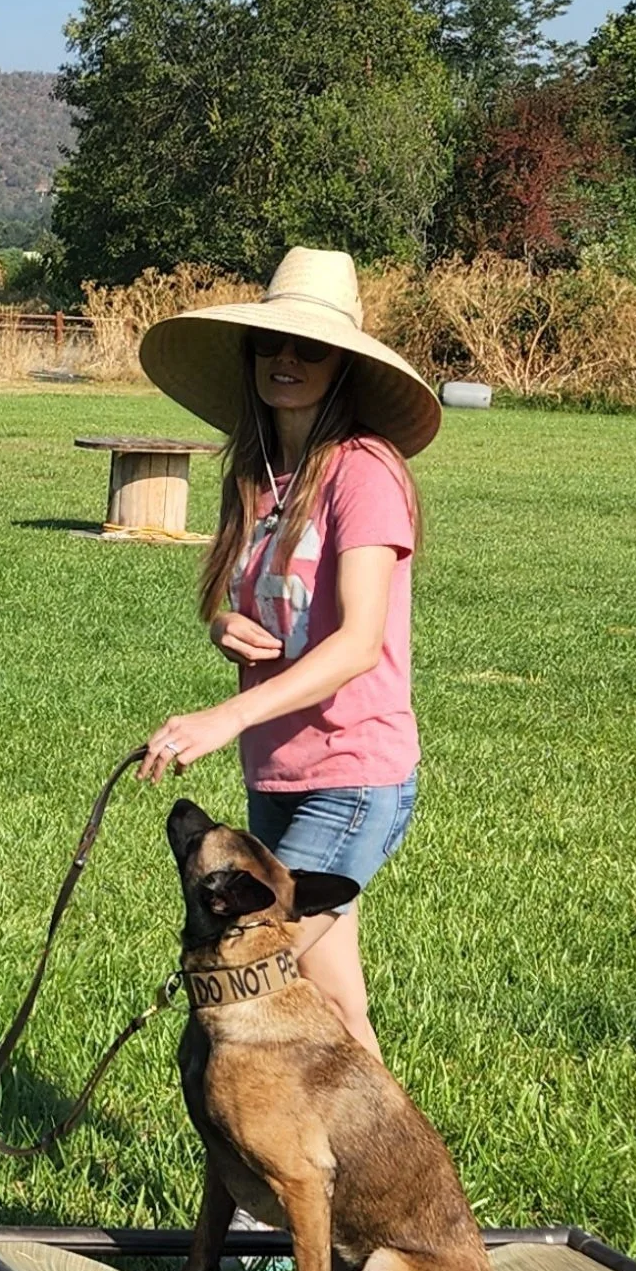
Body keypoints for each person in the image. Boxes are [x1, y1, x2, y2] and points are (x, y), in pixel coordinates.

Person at [133, 248, 439, 1059]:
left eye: (310, 347)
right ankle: (382, 1176)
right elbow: (265, 608)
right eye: (272, 344)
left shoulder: (365, 473)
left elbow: (356, 643)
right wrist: (224, 627)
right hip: (278, 772)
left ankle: (254, 1181)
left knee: (246, 979)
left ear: (344, 364)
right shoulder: (260, 474)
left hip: (353, 772)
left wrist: (223, 717)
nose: (288, 360)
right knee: (334, 1001)